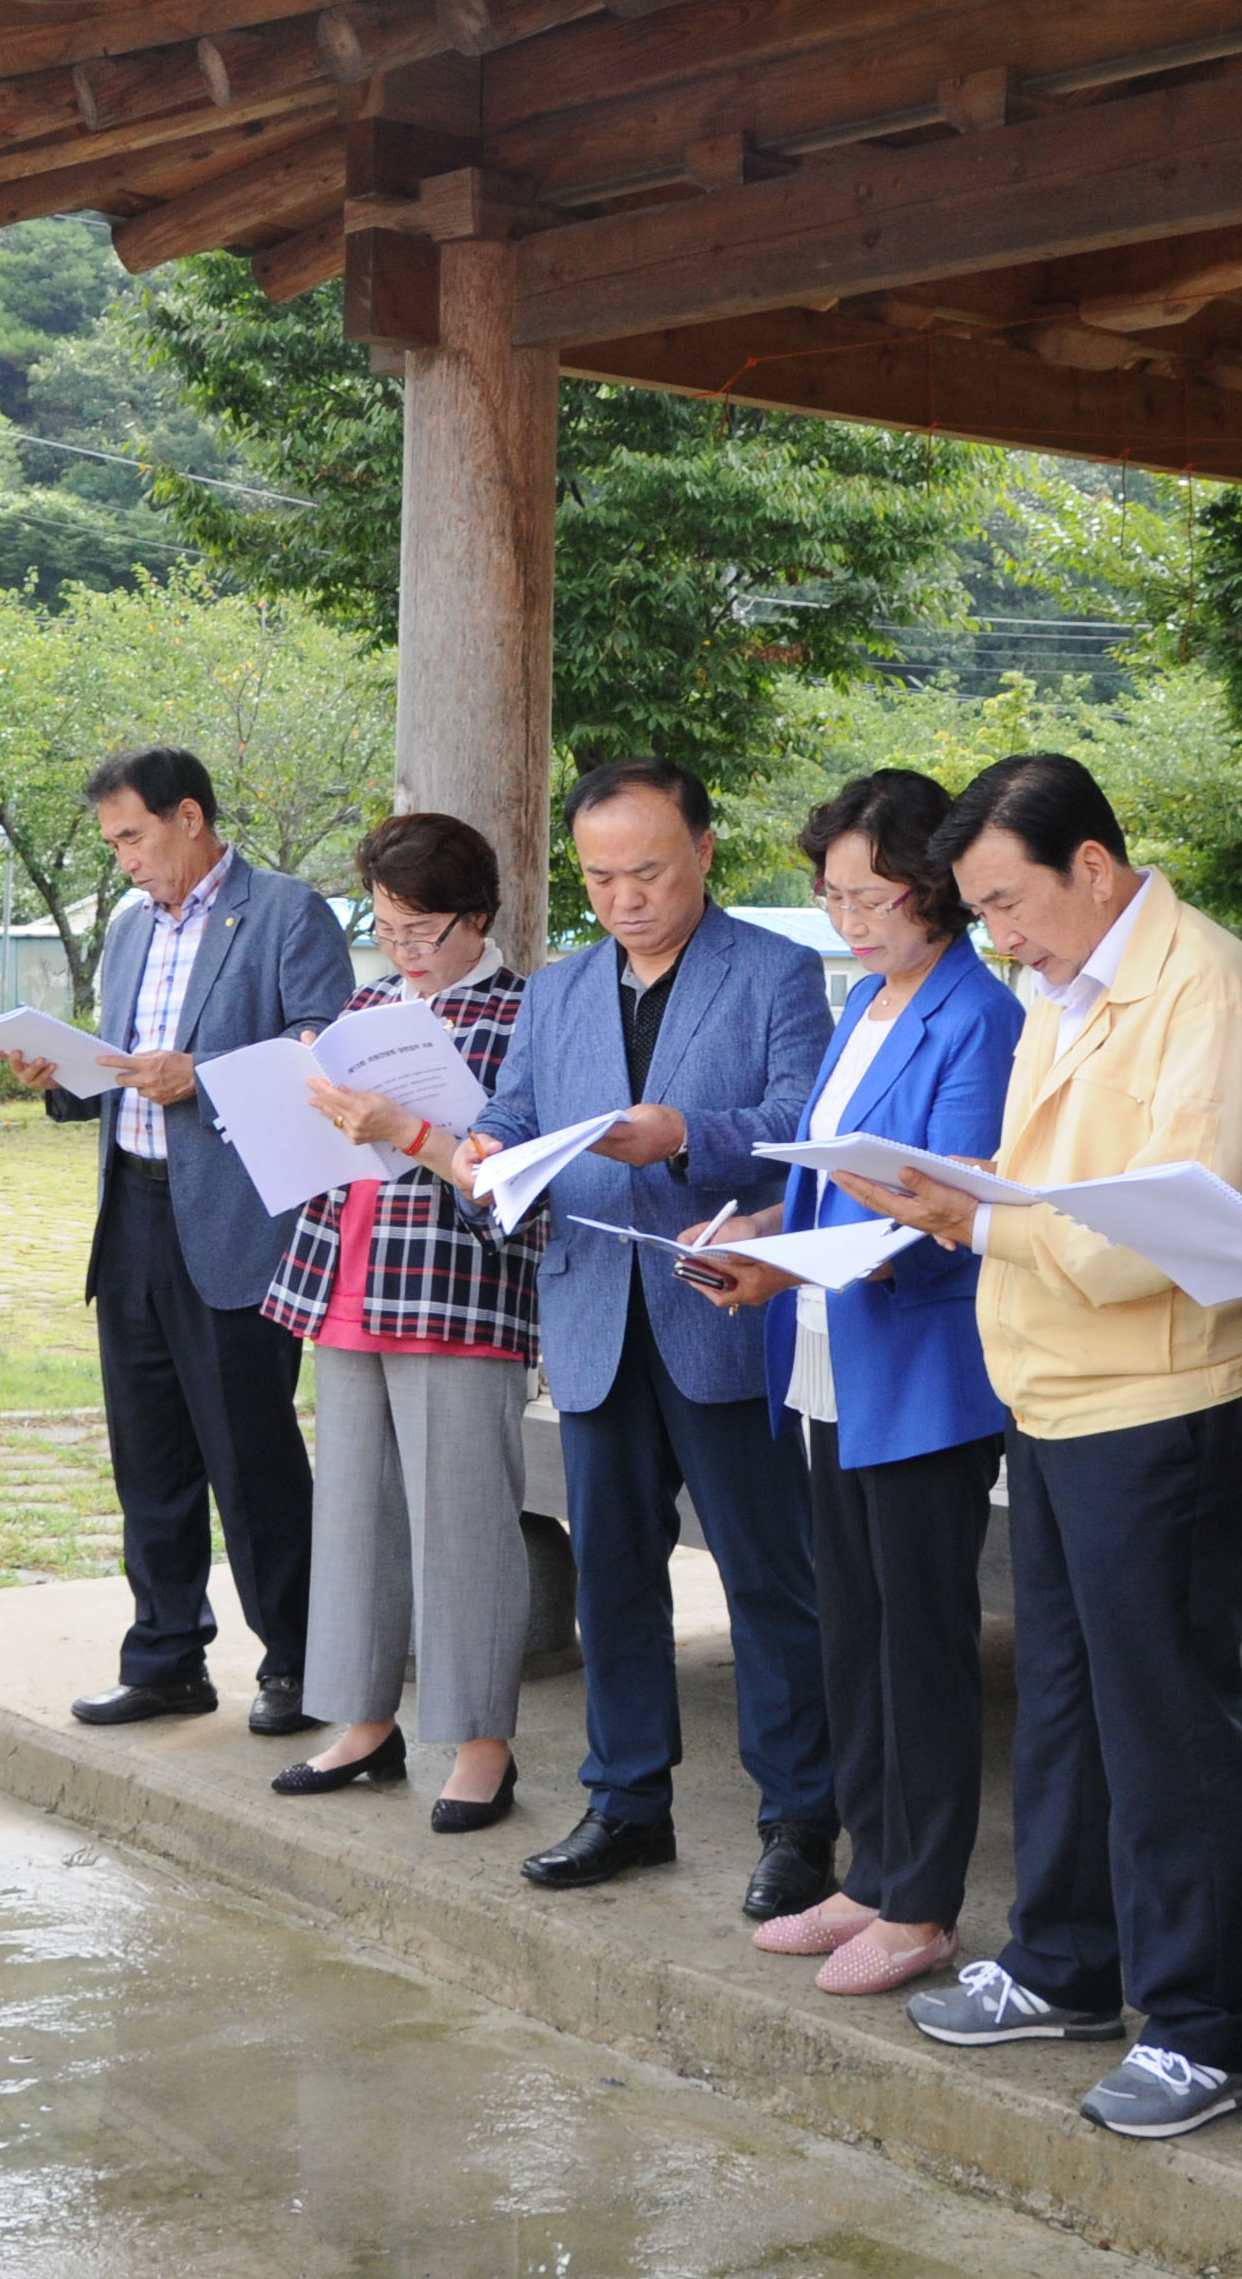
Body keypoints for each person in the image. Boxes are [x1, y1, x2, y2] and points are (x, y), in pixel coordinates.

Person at [835, 752, 1242, 2142]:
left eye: (1005, 902)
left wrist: (977, 1218)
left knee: (1167, 1723)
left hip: (1166, 1398)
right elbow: (1051, 1184)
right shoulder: (1067, 984)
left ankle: (1203, 2026)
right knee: (1065, 1700)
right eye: (979, 910)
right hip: (1055, 1391)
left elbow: (1174, 1221)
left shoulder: (1203, 986)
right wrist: (976, 1197)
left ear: (1091, 866)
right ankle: (1065, 1961)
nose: (996, 935)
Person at [435, 759, 836, 1912]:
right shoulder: (558, 990)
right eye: (600, 876)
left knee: (768, 1579)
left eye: (648, 871)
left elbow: (801, 1122)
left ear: (703, 850)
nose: (624, 897)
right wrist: (484, 1150)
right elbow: (513, 1111)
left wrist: (683, 1136)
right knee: (612, 1574)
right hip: (592, 1313)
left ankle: (799, 1818)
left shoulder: (775, 971)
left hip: (718, 1306)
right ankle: (624, 1802)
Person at [684, 770, 1024, 2001]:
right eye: (830, 895)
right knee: (854, 1627)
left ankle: (920, 1901)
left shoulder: (976, 1016)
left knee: (919, 1643)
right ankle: (871, 1870)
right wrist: (758, 1236)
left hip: (921, 1367)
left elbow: (947, 1204)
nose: (848, 919)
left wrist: (791, 1257)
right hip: (828, 1354)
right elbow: (828, 1181)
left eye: (870, 896)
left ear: (934, 886)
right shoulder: (866, 1001)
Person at [0, 746, 351, 1735]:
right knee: (148, 1459)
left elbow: (326, 1058)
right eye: (113, 843)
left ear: (188, 817)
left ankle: (302, 1664)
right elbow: (121, 1068)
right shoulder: (128, 929)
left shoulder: (287, 913)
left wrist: (206, 1075)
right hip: (132, 1215)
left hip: (237, 1220)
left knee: (252, 1459)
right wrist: (61, 1076)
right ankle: (164, 1658)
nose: (124, 860)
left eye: (132, 838)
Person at [257, 812, 538, 1832]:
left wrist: (409, 1132)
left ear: (479, 916)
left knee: (463, 1525)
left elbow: (521, 1183)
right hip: (344, 1276)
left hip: (455, 1289)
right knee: (353, 1517)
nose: (404, 950)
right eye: (386, 928)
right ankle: (363, 1721)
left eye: (422, 929)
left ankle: (480, 1745)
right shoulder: (366, 1004)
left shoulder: (525, 1014)